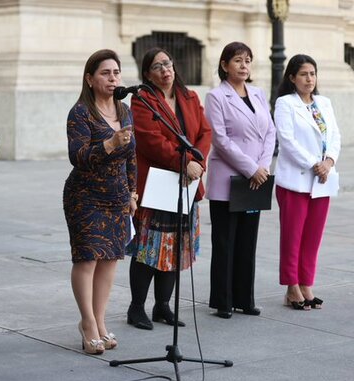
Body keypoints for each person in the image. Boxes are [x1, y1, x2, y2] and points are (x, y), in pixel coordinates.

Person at [125, 48, 211, 330]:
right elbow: (151, 141)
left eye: (168, 64)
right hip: (158, 183)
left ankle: (163, 306)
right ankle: (136, 307)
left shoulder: (190, 97)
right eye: (157, 66)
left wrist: (195, 161)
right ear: (147, 74)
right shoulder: (142, 100)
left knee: (176, 249)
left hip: (187, 181)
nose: (165, 70)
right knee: (150, 249)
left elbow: (205, 133)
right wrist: (184, 161)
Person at [63, 49, 136, 354]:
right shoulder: (80, 112)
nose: (112, 78)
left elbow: (132, 155)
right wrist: (108, 143)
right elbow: (77, 157)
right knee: (88, 258)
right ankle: (87, 323)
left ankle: (101, 321)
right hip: (85, 196)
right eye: (105, 73)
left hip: (117, 196)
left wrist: (133, 191)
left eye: (116, 72)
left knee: (109, 259)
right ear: (90, 79)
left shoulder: (125, 110)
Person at [204, 42, 276, 319]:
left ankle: (245, 299)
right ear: (224, 65)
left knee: (248, 240)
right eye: (237, 61)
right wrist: (250, 168)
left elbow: (269, 132)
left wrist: (263, 166)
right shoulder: (216, 97)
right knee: (225, 241)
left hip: (257, 178)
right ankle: (223, 301)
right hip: (229, 179)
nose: (244, 66)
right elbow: (220, 140)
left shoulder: (258, 93)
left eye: (248, 61)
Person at [274, 54, 341, 310]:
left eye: (312, 73)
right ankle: (292, 287)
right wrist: (315, 163)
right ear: (292, 77)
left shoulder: (324, 102)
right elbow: (287, 141)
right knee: (293, 237)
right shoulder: (285, 103)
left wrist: (329, 162)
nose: (309, 79)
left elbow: (335, 135)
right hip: (297, 179)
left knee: (313, 237)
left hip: (323, 179)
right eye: (303, 74)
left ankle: (306, 283)